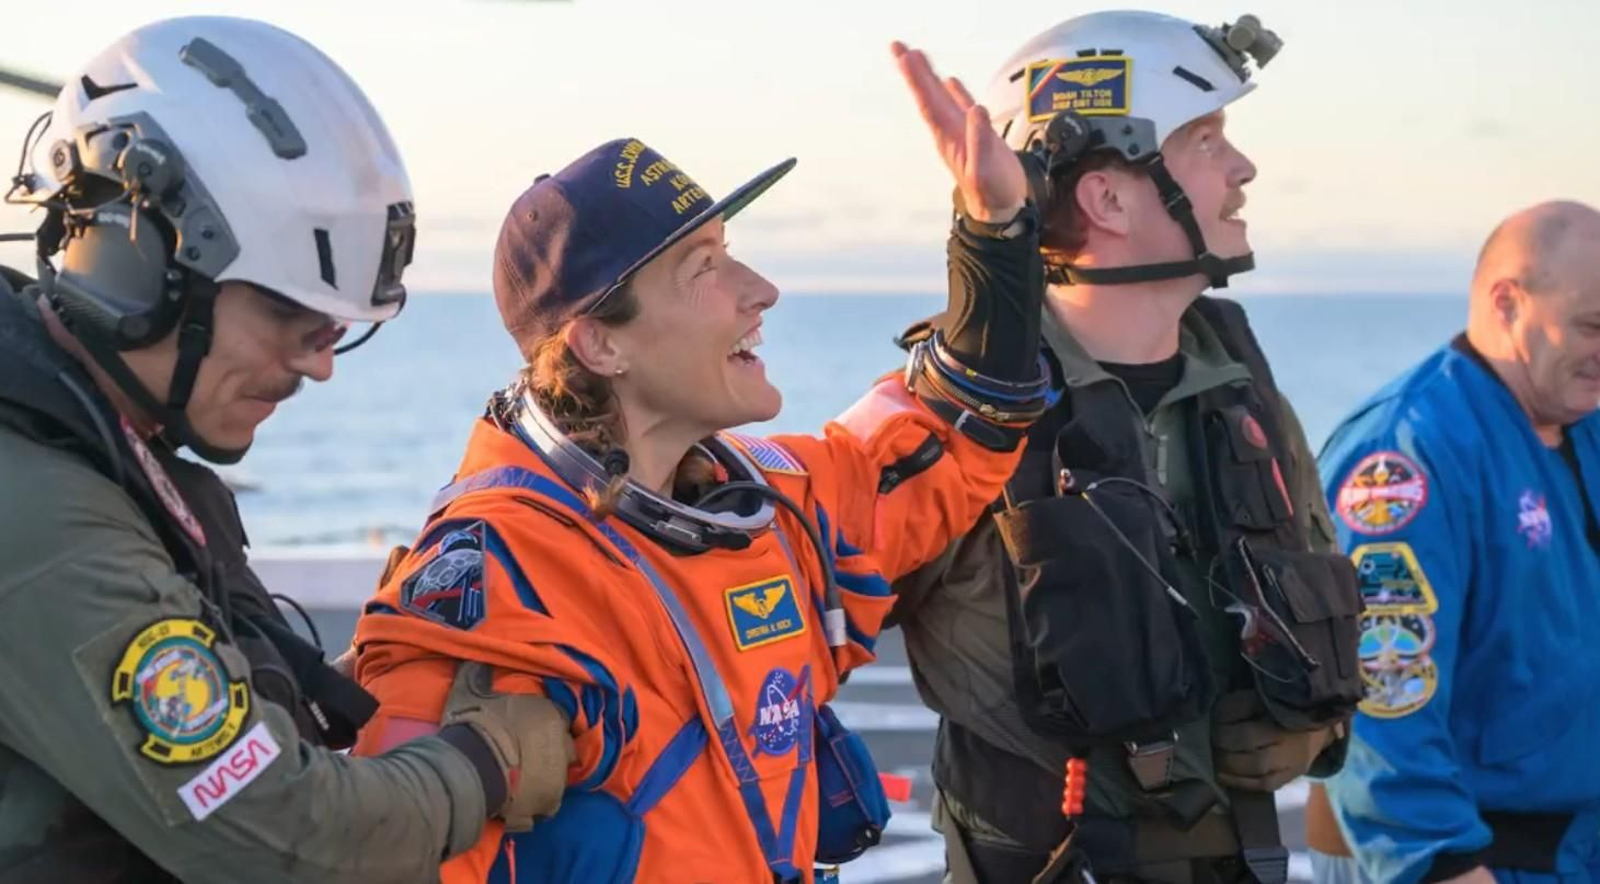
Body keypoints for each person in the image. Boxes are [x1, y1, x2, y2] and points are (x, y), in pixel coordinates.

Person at [347, 42, 1049, 884]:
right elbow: (385, 848)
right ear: (601, 342)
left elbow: (952, 429)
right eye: (706, 268)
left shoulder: (777, 502)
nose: (762, 290)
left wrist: (994, 231)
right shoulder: (490, 582)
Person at [0, 17, 573, 882]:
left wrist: (376, 667)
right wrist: (489, 761)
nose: (318, 364)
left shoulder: (102, 454)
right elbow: (285, 841)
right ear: (135, 251)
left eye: (333, 328)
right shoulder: (43, 521)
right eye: (287, 315)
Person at [885, 11, 1366, 884]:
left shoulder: (1240, 390)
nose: (1243, 168)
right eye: (1208, 139)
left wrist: (1318, 728)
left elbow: (1319, 584)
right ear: (1108, 199)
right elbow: (793, 623)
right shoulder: (960, 416)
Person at [1305, 200, 1600, 884]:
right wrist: (1440, 864)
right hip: (1476, 859)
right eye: (1592, 326)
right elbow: (1379, 693)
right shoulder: (1405, 458)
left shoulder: (1581, 425)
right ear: (1507, 303)